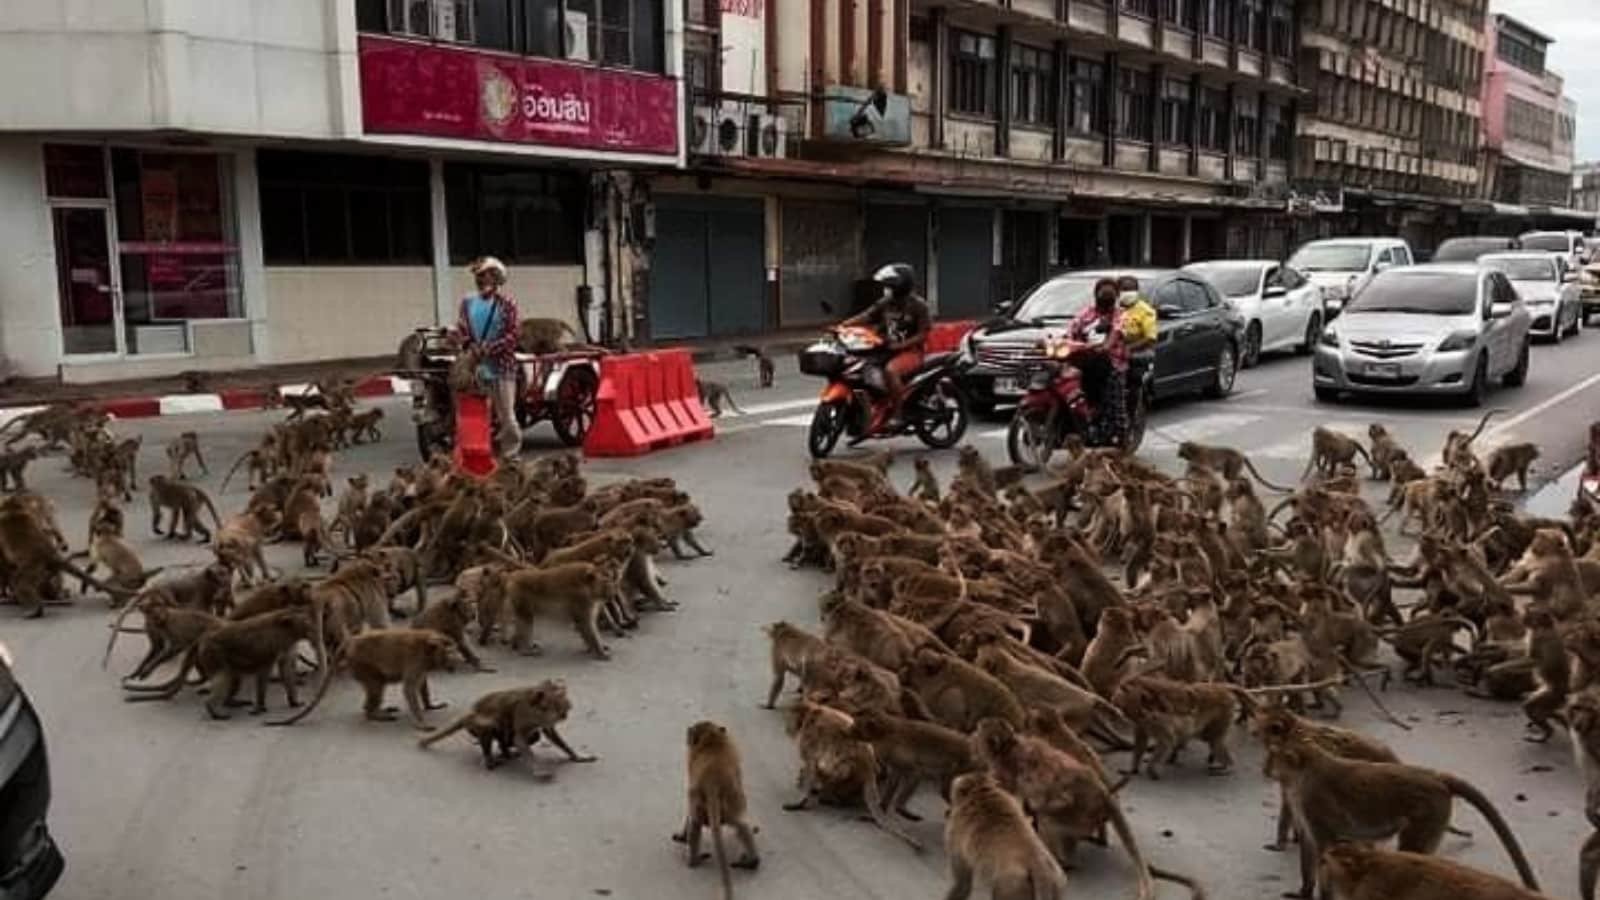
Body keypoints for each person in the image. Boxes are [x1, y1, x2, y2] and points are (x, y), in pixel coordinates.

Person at [841, 263, 931, 435]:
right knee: (860, 367)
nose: (887, 289)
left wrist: (901, 345)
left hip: (911, 352)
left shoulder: (919, 306)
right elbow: (867, 316)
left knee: (891, 371)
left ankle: (898, 414)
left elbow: (923, 334)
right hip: (886, 349)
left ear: (901, 286)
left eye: (890, 286)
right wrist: (844, 325)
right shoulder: (887, 302)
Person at [456, 256, 522, 460]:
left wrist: (491, 348)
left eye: (486, 275)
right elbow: (462, 329)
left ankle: (511, 454)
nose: (481, 280)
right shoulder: (467, 303)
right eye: (478, 276)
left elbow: (513, 334)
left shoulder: (507, 303)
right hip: (476, 366)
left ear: (497, 278)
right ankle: (478, 450)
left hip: (502, 367)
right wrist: (468, 345)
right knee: (474, 412)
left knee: (506, 415)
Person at [1066, 278, 1129, 446]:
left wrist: (1105, 346)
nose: (1106, 298)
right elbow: (1072, 331)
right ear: (1095, 295)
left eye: (1110, 295)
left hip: (1113, 362)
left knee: (1114, 402)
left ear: (1116, 297)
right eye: (1103, 294)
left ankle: (1118, 439)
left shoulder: (1120, 314)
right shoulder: (1086, 314)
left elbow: (1116, 331)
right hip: (1086, 360)